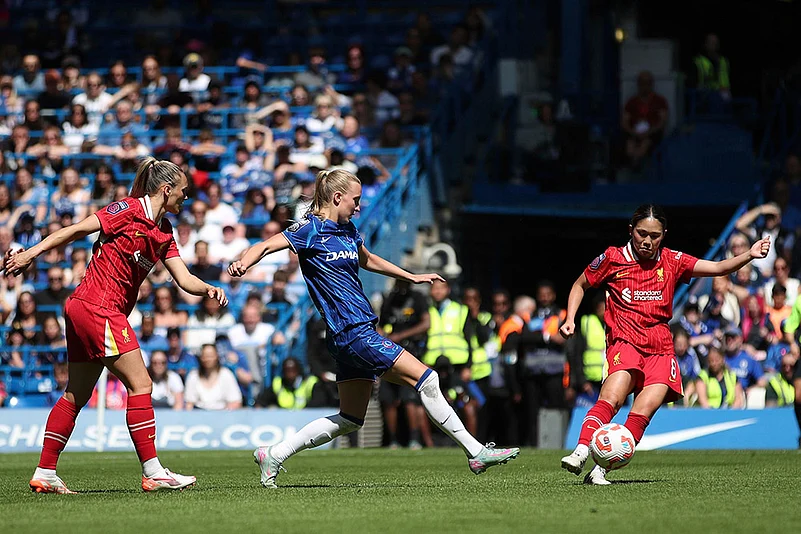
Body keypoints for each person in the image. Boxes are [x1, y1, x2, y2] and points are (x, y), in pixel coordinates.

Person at [228, 168, 519, 487]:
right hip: (353, 332)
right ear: (337, 198)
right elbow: (267, 245)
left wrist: (410, 276)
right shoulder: (309, 230)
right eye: (355, 199)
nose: (358, 205)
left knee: (351, 419)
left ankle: (274, 454)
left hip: (350, 336)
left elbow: (368, 259)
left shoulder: (348, 230)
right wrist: (245, 261)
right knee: (428, 379)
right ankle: (475, 451)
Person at [4, 157, 228, 494]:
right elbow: (76, 229)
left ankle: (45, 471)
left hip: (83, 308)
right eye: (182, 192)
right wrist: (29, 254)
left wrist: (208, 288)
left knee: (76, 394)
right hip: (98, 308)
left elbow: (184, 279)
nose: (186, 197)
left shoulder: (163, 231)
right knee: (141, 384)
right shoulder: (126, 209)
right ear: (166, 191)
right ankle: (153, 472)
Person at [559, 204, 770, 485]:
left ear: (664, 235)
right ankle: (582, 450)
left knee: (642, 413)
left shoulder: (672, 261)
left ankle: (601, 470)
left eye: (654, 236)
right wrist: (570, 318)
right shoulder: (613, 258)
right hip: (625, 341)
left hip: (661, 349)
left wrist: (749, 254)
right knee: (612, 399)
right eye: (641, 233)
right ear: (631, 231)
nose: (647, 241)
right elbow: (579, 284)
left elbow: (718, 267)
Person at [378, 278, 431, 449]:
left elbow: (426, 324)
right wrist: (382, 337)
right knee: (388, 399)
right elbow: (381, 324)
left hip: (411, 352)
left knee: (409, 398)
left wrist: (401, 336)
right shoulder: (389, 299)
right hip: (389, 353)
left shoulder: (418, 298)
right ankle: (393, 440)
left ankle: (414, 439)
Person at [695, 342, 744, 409]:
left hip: (729, 412)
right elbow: (703, 400)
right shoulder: (703, 376)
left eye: (717, 360)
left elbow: (738, 399)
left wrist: (732, 411)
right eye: (711, 361)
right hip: (709, 413)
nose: (714, 363)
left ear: (723, 359)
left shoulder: (732, 376)